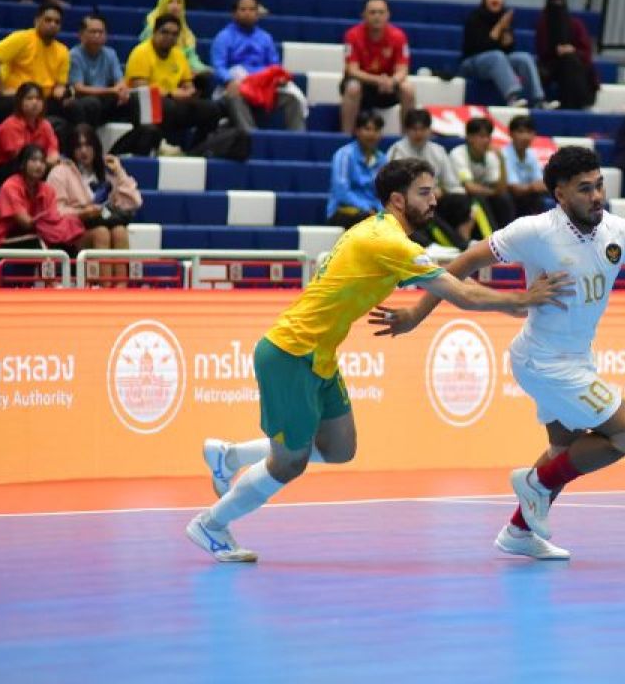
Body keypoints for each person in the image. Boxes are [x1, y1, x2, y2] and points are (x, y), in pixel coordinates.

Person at [374, 147, 625, 560]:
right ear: (560, 194)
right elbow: (461, 266)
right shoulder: (533, 231)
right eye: (584, 189)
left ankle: (519, 531)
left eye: (599, 185)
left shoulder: (621, 233)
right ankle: (535, 483)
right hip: (543, 361)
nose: (596, 196)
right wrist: (416, 314)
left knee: (564, 452)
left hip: (576, 358)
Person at [185, 157, 574, 563]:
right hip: (290, 352)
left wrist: (507, 305)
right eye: (424, 193)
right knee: (289, 463)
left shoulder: (381, 232)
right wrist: (520, 300)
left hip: (319, 355)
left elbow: (454, 287)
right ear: (397, 199)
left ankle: (228, 457)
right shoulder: (387, 241)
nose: (434, 200)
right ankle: (211, 525)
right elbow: (461, 292)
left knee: (339, 448)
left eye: (433, 191)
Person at [47, 124, 140, 285]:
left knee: (119, 231)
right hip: (72, 233)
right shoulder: (59, 172)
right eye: (78, 146)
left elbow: (134, 202)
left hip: (101, 224)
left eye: (88, 145)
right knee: (101, 232)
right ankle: (104, 288)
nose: (84, 151)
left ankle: (121, 289)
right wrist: (83, 213)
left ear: (96, 147)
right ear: (71, 149)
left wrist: (119, 171)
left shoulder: (106, 173)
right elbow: (55, 211)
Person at [126, 14, 223, 153]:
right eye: (165, 32)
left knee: (211, 109)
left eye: (174, 34)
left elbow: (187, 83)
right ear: (155, 32)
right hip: (143, 105)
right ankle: (159, 145)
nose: (169, 37)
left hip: (175, 102)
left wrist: (189, 92)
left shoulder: (178, 55)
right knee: (167, 105)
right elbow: (140, 89)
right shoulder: (141, 52)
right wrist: (170, 94)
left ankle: (197, 149)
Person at [212, 0, 304, 132]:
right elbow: (218, 66)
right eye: (243, 10)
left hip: (262, 87)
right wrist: (229, 81)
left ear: (257, 13)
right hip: (237, 85)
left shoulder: (265, 38)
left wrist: (278, 78)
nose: (248, 13)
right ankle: (253, 138)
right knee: (234, 96)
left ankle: (299, 140)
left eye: (252, 10)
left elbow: (274, 65)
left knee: (292, 99)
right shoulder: (223, 37)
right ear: (234, 13)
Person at [385, 108, 472, 249]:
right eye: (414, 129)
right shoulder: (397, 151)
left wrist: (441, 191)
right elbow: (392, 187)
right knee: (422, 205)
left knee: (461, 201)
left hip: (436, 198)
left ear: (429, 130)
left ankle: (467, 239)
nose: (418, 133)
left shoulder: (438, 151)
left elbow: (452, 184)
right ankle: (455, 245)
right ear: (406, 130)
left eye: (423, 129)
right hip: (408, 202)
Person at [460, 0, 551, 108]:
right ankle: (513, 97)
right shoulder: (475, 17)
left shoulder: (505, 19)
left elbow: (508, 50)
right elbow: (481, 46)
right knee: (497, 56)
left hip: (497, 60)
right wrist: (500, 26)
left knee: (523, 58)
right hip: (473, 62)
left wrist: (507, 34)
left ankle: (538, 100)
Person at [340, 0, 415, 134]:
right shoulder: (352, 35)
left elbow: (403, 70)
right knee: (352, 88)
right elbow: (352, 70)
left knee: (408, 88)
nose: (377, 17)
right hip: (363, 84)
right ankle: (346, 136)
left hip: (388, 87)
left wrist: (391, 81)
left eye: (381, 12)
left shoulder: (398, 36)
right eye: (372, 12)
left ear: (388, 15)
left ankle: (407, 137)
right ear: (364, 15)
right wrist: (378, 80)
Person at [0, 144, 83, 250]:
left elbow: (53, 220)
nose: (39, 165)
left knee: (69, 241)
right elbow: (25, 223)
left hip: (34, 238)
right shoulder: (10, 186)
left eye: (42, 161)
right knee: (39, 244)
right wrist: (47, 221)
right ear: (22, 164)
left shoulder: (48, 190)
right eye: (34, 160)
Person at [0, 4, 69, 124]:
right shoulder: (22, 38)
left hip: (40, 100)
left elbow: (60, 84)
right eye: (48, 20)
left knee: (70, 107)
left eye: (57, 22)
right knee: (22, 104)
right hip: (11, 97)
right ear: (37, 21)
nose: (53, 24)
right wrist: (1, 88)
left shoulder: (63, 51)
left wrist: (61, 92)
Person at [139, 0, 213, 96]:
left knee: (203, 78)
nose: (175, 6)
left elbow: (192, 58)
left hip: (180, 71)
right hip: (159, 71)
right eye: (170, 2)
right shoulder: (152, 28)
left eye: (178, 2)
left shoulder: (186, 33)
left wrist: (198, 70)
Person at [534, 0, 598, 110]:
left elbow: (586, 52)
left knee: (570, 60)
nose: (557, 5)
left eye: (560, 1)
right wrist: (556, 51)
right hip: (550, 65)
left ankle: (574, 103)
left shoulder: (576, 24)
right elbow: (541, 51)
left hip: (573, 62)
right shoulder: (543, 25)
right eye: (553, 1)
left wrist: (572, 50)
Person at [0, 82, 59, 195]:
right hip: (9, 170)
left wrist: (51, 160)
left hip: (37, 165)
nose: (35, 102)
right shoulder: (10, 125)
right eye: (29, 98)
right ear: (19, 102)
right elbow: (20, 158)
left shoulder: (45, 125)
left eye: (38, 98)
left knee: (62, 168)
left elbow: (53, 152)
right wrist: (44, 162)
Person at [450, 116, 515, 233]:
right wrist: (494, 192)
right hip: (457, 197)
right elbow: (470, 188)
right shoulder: (458, 154)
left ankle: (508, 234)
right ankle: (491, 237)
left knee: (504, 198)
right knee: (478, 199)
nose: (486, 140)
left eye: (488, 136)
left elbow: (502, 188)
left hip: (482, 195)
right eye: (481, 136)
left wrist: (501, 160)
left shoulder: (490, 156)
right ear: (469, 138)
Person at [326, 112, 387, 229]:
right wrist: (367, 208)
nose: (372, 134)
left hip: (373, 212)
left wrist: (379, 211)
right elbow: (342, 192)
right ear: (357, 131)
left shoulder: (382, 159)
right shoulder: (344, 155)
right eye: (367, 129)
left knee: (392, 221)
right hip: (343, 211)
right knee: (367, 221)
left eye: (376, 130)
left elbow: (383, 194)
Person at [68, 14, 130, 128]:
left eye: (101, 32)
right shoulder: (74, 55)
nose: (97, 35)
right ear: (81, 35)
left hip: (106, 98)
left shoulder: (111, 53)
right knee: (92, 103)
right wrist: (112, 90)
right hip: (83, 100)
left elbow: (120, 80)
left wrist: (122, 90)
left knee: (132, 100)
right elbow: (79, 88)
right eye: (92, 32)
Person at [501, 115, 547, 219]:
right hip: (508, 197)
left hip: (526, 195)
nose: (525, 137)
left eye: (529, 132)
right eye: (521, 132)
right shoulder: (504, 154)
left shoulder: (531, 153)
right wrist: (532, 187)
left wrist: (533, 187)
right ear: (511, 133)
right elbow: (514, 189)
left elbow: (540, 183)